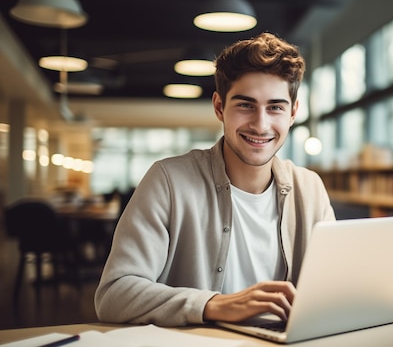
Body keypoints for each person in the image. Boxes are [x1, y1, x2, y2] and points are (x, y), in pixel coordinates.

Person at [94, 32, 336, 327]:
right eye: (245, 105)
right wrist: (212, 304)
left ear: (293, 112)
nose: (261, 125)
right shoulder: (168, 181)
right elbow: (114, 296)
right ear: (219, 107)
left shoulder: (309, 189)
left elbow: (334, 290)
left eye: (275, 107)